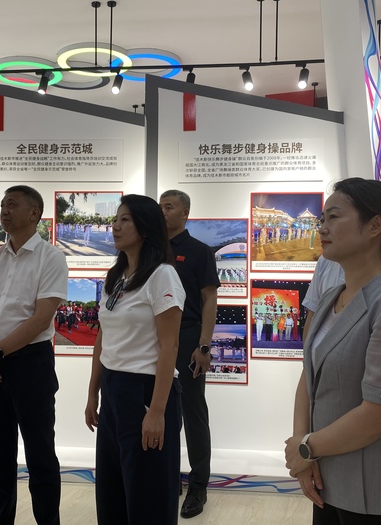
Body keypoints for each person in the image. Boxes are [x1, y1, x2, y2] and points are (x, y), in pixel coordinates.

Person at [284, 177, 381, 524]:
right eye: (322, 219)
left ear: (375, 226)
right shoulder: (329, 299)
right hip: (327, 484)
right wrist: (301, 449)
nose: (322, 227)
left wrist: (306, 447)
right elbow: (309, 375)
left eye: (334, 217)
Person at [0, 185, 68, 525]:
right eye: (2, 205)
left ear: (34, 213)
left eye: (12, 204)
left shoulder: (51, 258)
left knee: (40, 454)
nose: (4, 211)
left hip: (30, 363)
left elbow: (41, 319)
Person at [84, 194, 186, 525]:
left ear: (144, 227)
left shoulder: (162, 276)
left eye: (124, 220)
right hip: (114, 390)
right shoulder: (116, 278)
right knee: (112, 493)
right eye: (115, 219)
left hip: (146, 391)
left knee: (148, 497)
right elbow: (103, 339)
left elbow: (170, 346)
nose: (115, 226)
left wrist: (156, 412)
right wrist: (93, 393)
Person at [159, 189, 219, 519]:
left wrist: (204, 345)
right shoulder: (152, 249)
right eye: (160, 206)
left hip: (187, 336)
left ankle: (198, 485)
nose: (162, 211)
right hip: (155, 338)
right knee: (158, 408)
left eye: (169, 207)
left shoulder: (199, 251)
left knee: (193, 413)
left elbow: (209, 299)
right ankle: (167, 479)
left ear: (185, 213)